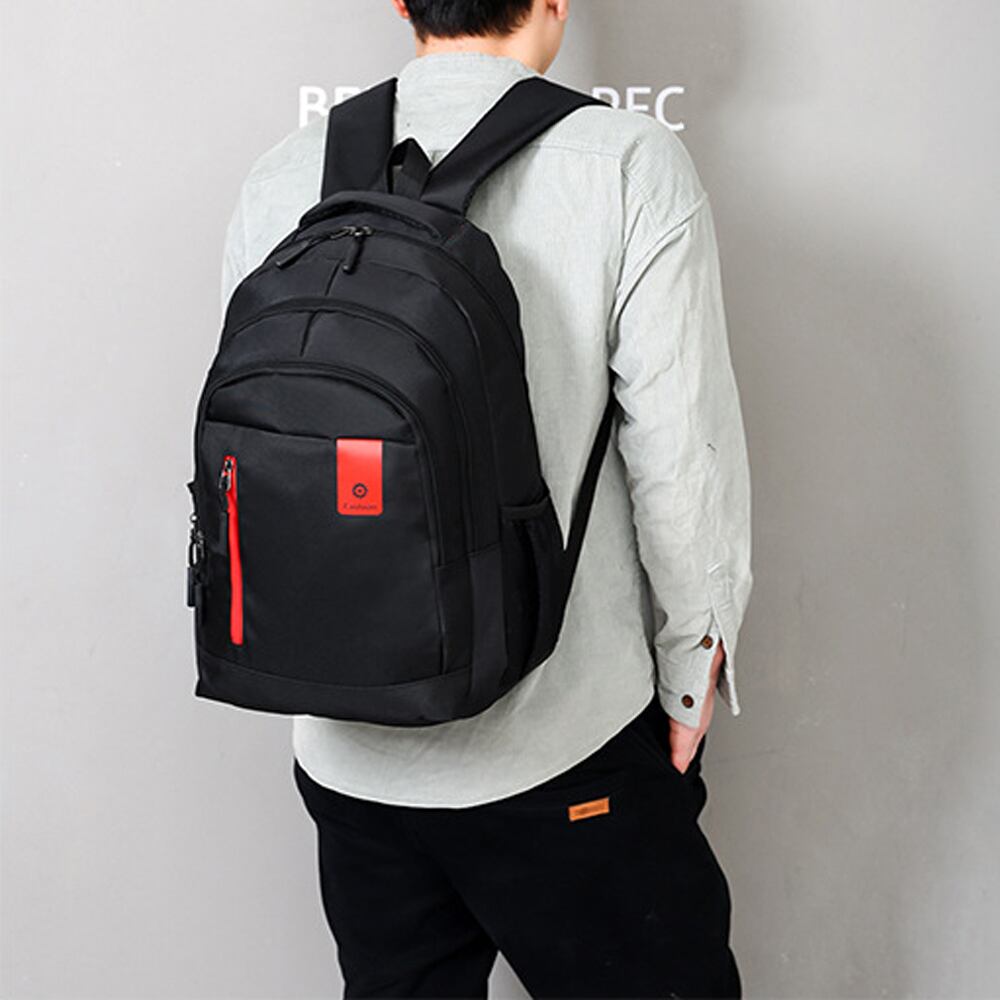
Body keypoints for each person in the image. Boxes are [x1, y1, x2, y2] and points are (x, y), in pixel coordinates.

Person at [220, 0, 753, 995]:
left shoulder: (284, 174)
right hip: (559, 741)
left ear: (401, 1)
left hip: (348, 756)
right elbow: (683, 460)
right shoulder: (625, 163)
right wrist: (691, 675)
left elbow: (263, 464)